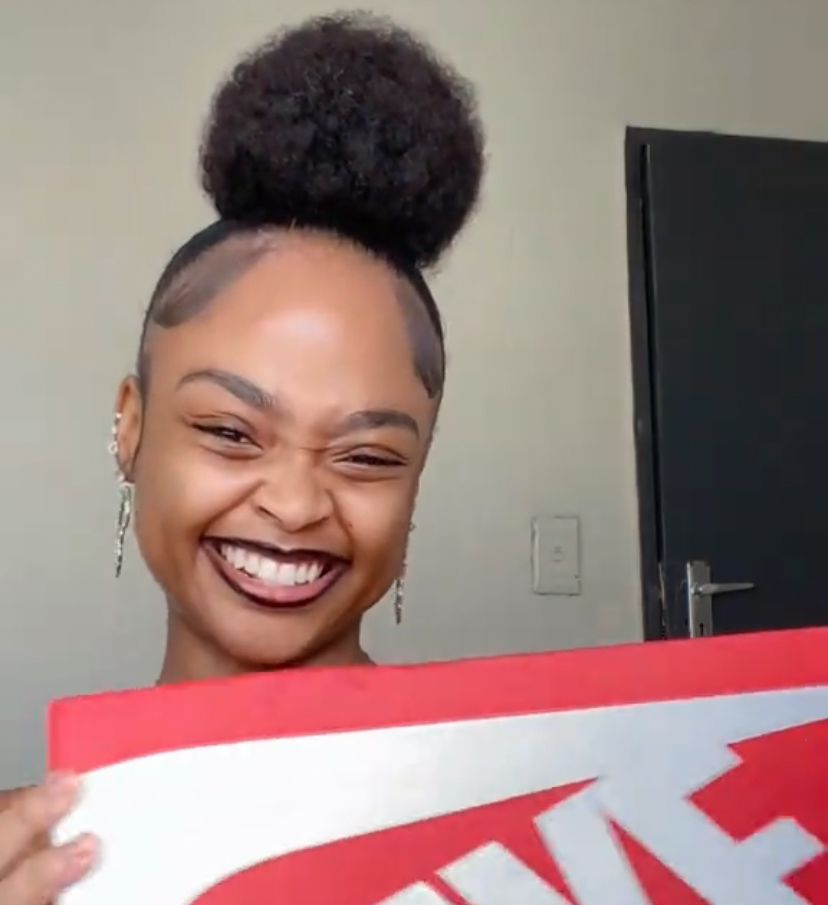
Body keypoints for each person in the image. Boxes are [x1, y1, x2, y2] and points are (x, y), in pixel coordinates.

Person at [0, 10, 484, 903]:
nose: (296, 504)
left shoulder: (526, 819)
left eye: (367, 456)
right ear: (131, 427)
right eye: (230, 432)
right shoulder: (32, 859)